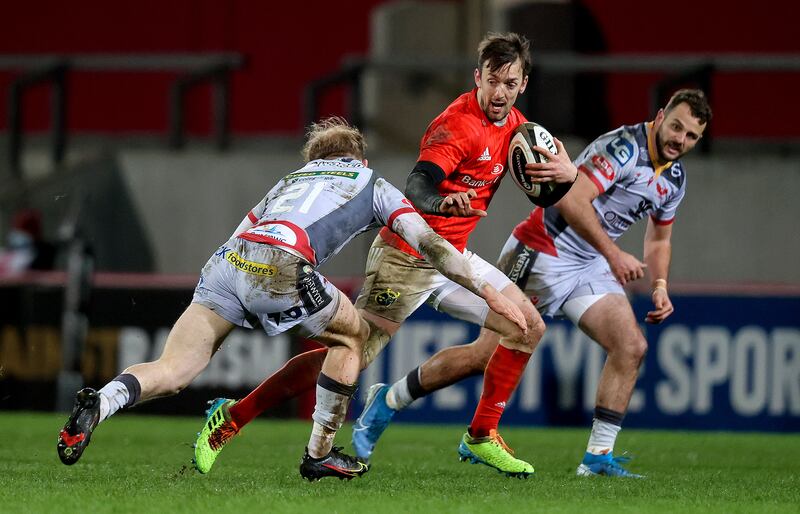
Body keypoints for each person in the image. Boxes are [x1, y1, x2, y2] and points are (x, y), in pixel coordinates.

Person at [191, 31, 578, 479]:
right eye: (492, 80)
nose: (499, 92)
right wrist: (439, 203)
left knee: (526, 327)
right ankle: (233, 416)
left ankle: (480, 436)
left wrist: (566, 176)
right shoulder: (458, 125)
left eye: (510, 83)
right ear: (478, 76)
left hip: (453, 259)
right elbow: (417, 185)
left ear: (523, 83)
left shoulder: (516, 130)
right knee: (347, 353)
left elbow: (546, 194)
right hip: (406, 257)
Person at [55, 117, 527, 482]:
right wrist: (487, 290)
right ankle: (319, 456)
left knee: (172, 370)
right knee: (354, 340)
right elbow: (429, 244)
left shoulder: (288, 181)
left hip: (227, 264)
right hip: (283, 265)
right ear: (357, 157)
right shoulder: (370, 182)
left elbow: (242, 232)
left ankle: (101, 402)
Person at [353, 89, 712, 478]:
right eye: (676, 127)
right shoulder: (624, 148)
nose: (680, 139)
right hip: (543, 250)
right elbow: (570, 200)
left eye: (691, 136)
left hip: (588, 262)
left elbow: (659, 239)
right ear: (660, 117)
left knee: (631, 346)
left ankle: (597, 458)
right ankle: (390, 400)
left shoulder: (674, 177)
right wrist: (614, 254)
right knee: (485, 355)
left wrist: (659, 283)